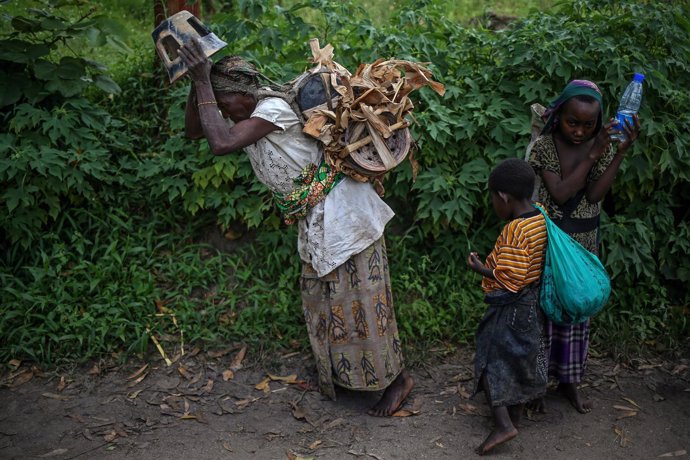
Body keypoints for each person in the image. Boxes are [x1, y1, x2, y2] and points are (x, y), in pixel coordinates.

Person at [177, 38, 413, 416]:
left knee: (363, 304)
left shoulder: (273, 109)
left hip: (344, 213)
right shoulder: (248, 114)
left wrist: (204, 83)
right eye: (217, 107)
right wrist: (196, 83)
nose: (222, 113)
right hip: (317, 218)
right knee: (329, 303)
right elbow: (195, 132)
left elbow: (219, 143)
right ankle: (349, 378)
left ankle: (397, 381)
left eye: (224, 105)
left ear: (242, 95)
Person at [527, 79, 640, 413]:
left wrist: (616, 153)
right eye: (572, 122)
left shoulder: (601, 147)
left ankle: (570, 382)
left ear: (598, 123)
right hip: (551, 243)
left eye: (587, 125)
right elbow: (560, 193)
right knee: (544, 313)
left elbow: (594, 195)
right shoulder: (546, 146)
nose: (578, 131)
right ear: (559, 115)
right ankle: (537, 386)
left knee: (576, 314)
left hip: (585, 243)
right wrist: (592, 154)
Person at [467, 158, 548, 455]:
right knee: (519, 357)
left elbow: (509, 278)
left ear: (503, 196)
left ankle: (502, 424)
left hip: (511, 307)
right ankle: (515, 414)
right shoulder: (541, 216)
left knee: (490, 362)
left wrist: (481, 269)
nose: (493, 204)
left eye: (492, 198)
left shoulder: (515, 230)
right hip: (532, 302)